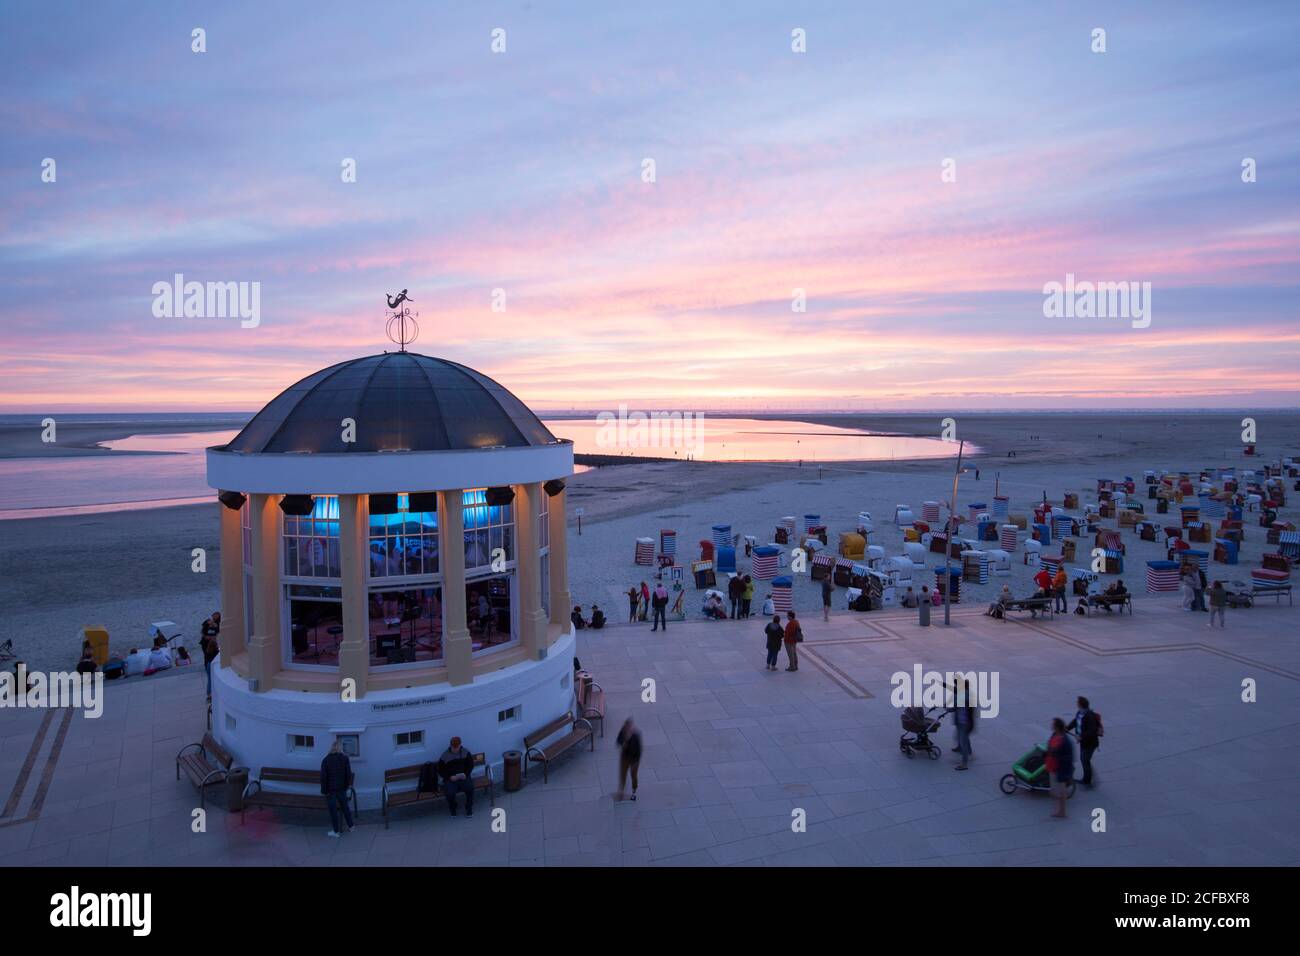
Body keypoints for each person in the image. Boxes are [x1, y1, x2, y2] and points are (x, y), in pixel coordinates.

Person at [1066, 696, 1101, 788]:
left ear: (1081, 705)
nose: (1076, 704)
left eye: (1077, 702)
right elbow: (1075, 722)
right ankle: (1088, 776)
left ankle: (1087, 780)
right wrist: (1066, 728)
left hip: (1090, 743)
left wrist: (1080, 736)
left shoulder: (1089, 716)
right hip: (1084, 742)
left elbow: (1091, 731)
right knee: (1084, 759)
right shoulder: (1080, 712)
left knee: (1084, 759)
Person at [321, 740, 354, 836]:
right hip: (341, 788)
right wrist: (346, 786)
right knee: (345, 807)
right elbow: (348, 774)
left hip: (330, 790)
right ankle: (351, 826)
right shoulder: (345, 758)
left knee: (333, 811)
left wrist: (324, 791)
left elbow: (323, 777)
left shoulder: (326, 760)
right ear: (340, 749)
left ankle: (336, 831)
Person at [438, 736, 475, 817]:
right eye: (454, 747)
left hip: (463, 777)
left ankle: (469, 808)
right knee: (449, 793)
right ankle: (453, 808)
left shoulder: (465, 752)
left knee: (470, 788)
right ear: (451, 746)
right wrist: (449, 777)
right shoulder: (445, 755)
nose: (455, 749)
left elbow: (470, 765)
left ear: (460, 745)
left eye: (457, 747)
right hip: (451, 778)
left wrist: (466, 774)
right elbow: (440, 770)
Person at [1045, 717, 1074, 819]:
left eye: (1053, 724)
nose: (1051, 725)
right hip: (1052, 766)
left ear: (1057, 726)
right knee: (1054, 791)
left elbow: (1067, 757)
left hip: (1059, 768)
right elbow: (1050, 745)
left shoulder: (1065, 741)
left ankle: (1062, 812)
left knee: (1059, 791)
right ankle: (1060, 806)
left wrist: (1054, 753)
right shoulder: (1055, 734)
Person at [947, 680, 976, 771]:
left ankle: (964, 764)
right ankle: (967, 750)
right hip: (963, 721)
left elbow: (956, 707)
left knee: (963, 740)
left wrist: (948, 709)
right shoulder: (966, 694)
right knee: (961, 737)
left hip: (964, 722)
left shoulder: (964, 697)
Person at [615, 718, 642, 801]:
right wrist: (623, 742)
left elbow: (639, 750)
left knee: (633, 776)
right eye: (626, 727)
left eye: (629, 727)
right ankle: (621, 792)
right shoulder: (622, 733)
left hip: (634, 760)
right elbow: (618, 742)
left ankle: (634, 792)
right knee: (623, 775)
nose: (627, 729)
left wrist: (636, 762)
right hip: (625, 758)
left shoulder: (635, 736)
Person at [200, 625, 220, 699]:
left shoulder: (207, 651)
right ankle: (211, 694)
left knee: (209, 680)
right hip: (212, 666)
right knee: (212, 680)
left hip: (208, 665)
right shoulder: (216, 651)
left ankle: (208, 694)